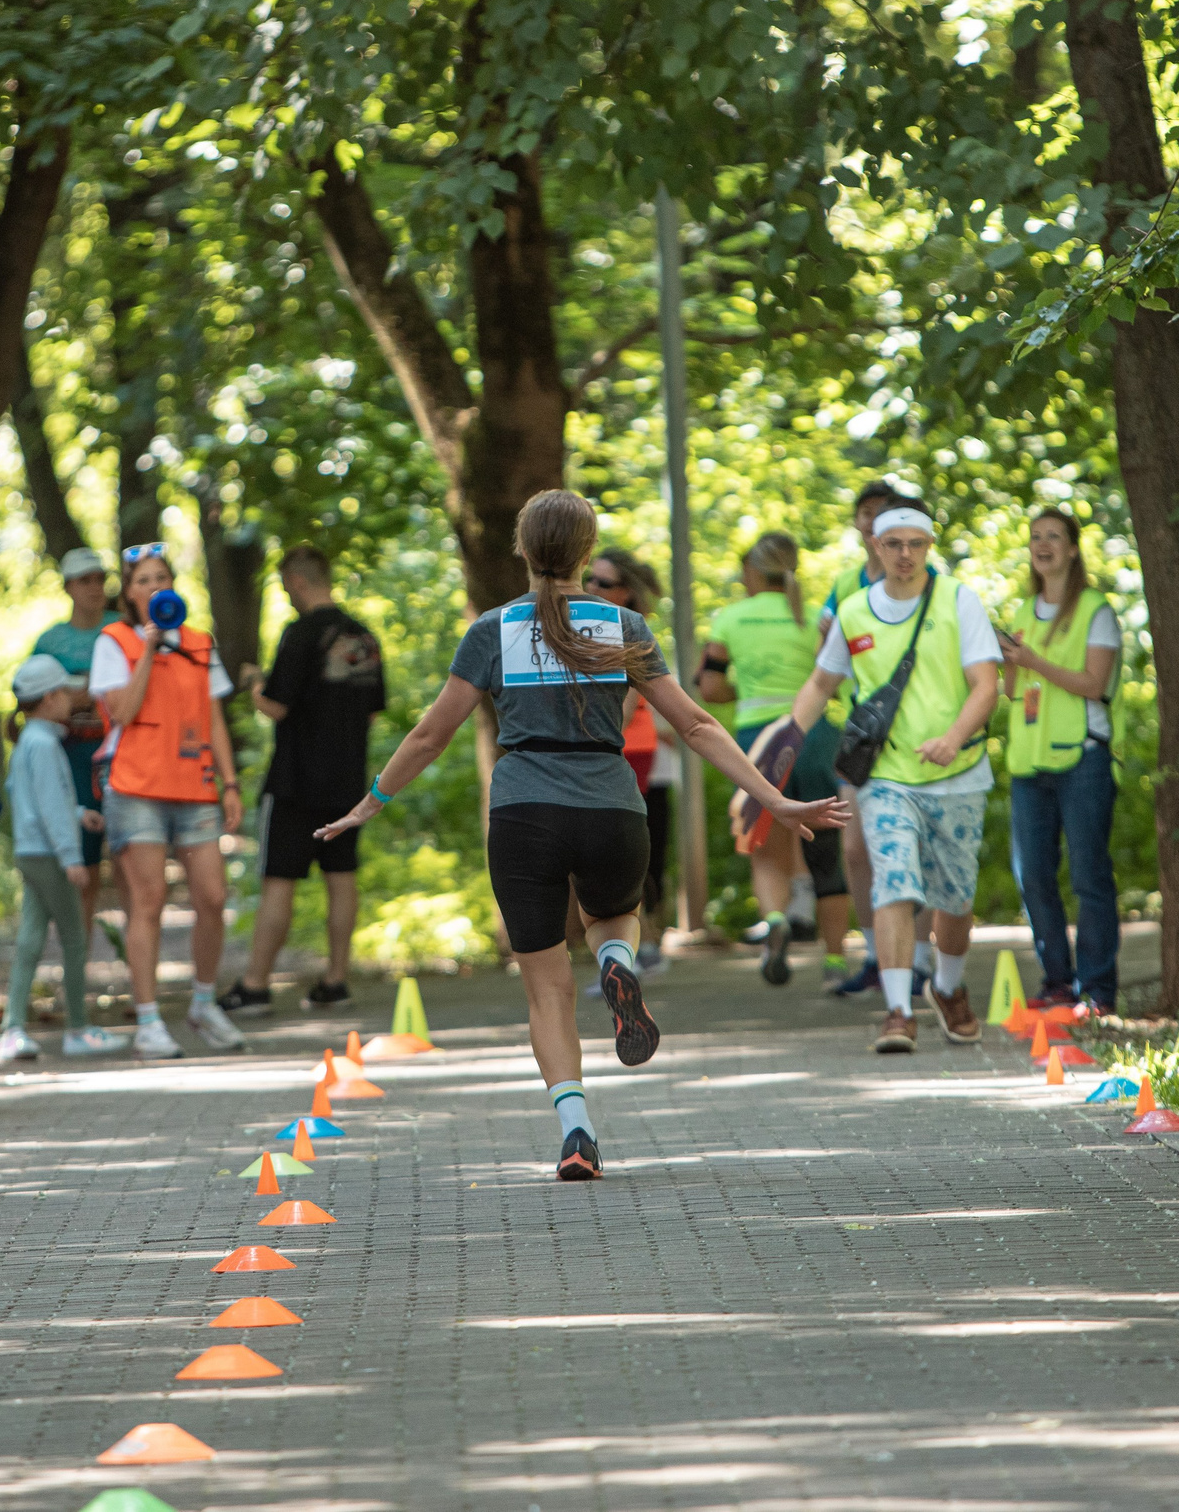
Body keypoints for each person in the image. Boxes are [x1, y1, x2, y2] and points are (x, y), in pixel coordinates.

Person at [320, 491, 844, 1179]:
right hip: (611, 805)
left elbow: (430, 732)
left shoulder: (493, 629)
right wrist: (775, 797)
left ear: (522, 547)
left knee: (545, 986)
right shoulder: (621, 623)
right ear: (587, 553)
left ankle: (576, 1131)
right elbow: (697, 724)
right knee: (612, 914)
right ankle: (616, 958)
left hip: (523, 813)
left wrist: (371, 801)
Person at [775, 504, 1000, 1053]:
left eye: (916, 544)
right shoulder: (854, 611)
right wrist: (783, 746)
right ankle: (898, 1009)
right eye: (893, 544)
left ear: (929, 547)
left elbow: (986, 685)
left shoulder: (957, 600)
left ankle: (946, 988)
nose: (905, 554)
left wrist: (952, 739)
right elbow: (821, 685)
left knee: (955, 898)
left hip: (959, 774)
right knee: (894, 882)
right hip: (885, 776)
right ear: (875, 547)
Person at [93, 544, 246, 1059]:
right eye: (143, 580)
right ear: (129, 593)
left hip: (194, 785)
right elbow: (122, 714)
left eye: (162, 577)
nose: (154, 587)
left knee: (213, 897)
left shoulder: (200, 642)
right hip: (136, 788)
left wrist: (230, 783)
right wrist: (151, 650)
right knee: (149, 900)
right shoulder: (114, 641)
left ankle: (204, 1003)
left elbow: (214, 717)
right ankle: (149, 1020)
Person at [221, 545, 386, 1017]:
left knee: (280, 880)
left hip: (296, 780)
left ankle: (254, 986)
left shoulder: (300, 634)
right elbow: (372, 710)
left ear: (295, 579)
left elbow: (276, 705)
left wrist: (255, 683)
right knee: (342, 877)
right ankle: (336, 979)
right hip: (348, 782)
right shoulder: (364, 637)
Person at [701, 532, 849, 986]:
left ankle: (777, 921)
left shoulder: (731, 618)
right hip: (817, 735)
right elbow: (835, 681)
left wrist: (744, 690)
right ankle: (836, 960)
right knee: (825, 846)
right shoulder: (816, 618)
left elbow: (709, 687)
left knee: (764, 840)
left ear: (751, 572)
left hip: (757, 739)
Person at [996, 509, 1124, 1015]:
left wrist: (1032, 662)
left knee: (1089, 875)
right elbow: (1013, 692)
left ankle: (1097, 991)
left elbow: (1094, 684)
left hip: (1082, 760)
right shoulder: (1025, 610)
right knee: (1033, 876)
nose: (1043, 545)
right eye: (1035, 538)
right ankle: (1056, 982)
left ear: (1073, 549)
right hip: (1030, 763)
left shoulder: (1096, 610)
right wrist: (1008, 663)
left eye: (1053, 537)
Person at [817, 481, 939, 996]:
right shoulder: (846, 585)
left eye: (882, 516)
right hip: (862, 735)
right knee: (856, 848)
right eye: (865, 515)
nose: (872, 524)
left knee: (921, 850)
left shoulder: (933, 583)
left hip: (921, 735)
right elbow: (826, 650)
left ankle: (924, 961)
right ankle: (874, 954)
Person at [0, 655, 117, 1062]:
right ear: (48, 699)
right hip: (50, 854)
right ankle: (77, 1028)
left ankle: (13, 1028)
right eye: (64, 691)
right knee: (73, 938)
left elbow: (38, 801)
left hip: (31, 851)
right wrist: (71, 856)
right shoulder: (46, 745)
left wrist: (80, 814)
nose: (71, 699)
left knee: (30, 937)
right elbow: (49, 805)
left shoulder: (30, 741)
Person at [581, 550, 672, 972]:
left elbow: (624, 701)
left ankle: (629, 954)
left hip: (626, 752)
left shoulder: (627, 632)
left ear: (627, 594)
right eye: (589, 579)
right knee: (620, 852)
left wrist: (592, 744)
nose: (591, 589)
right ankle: (640, 947)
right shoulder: (588, 627)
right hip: (616, 751)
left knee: (615, 851)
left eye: (603, 583)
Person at [29, 547, 119, 951]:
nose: (94, 588)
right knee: (83, 868)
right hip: (72, 759)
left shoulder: (122, 630)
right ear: (68, 587)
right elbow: (33, 701)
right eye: (85, 580)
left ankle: (140, 981)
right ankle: (77, 972)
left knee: (134, 864)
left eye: (100, 579)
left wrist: (79, 693)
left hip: (120, 756)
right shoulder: (50, 641)